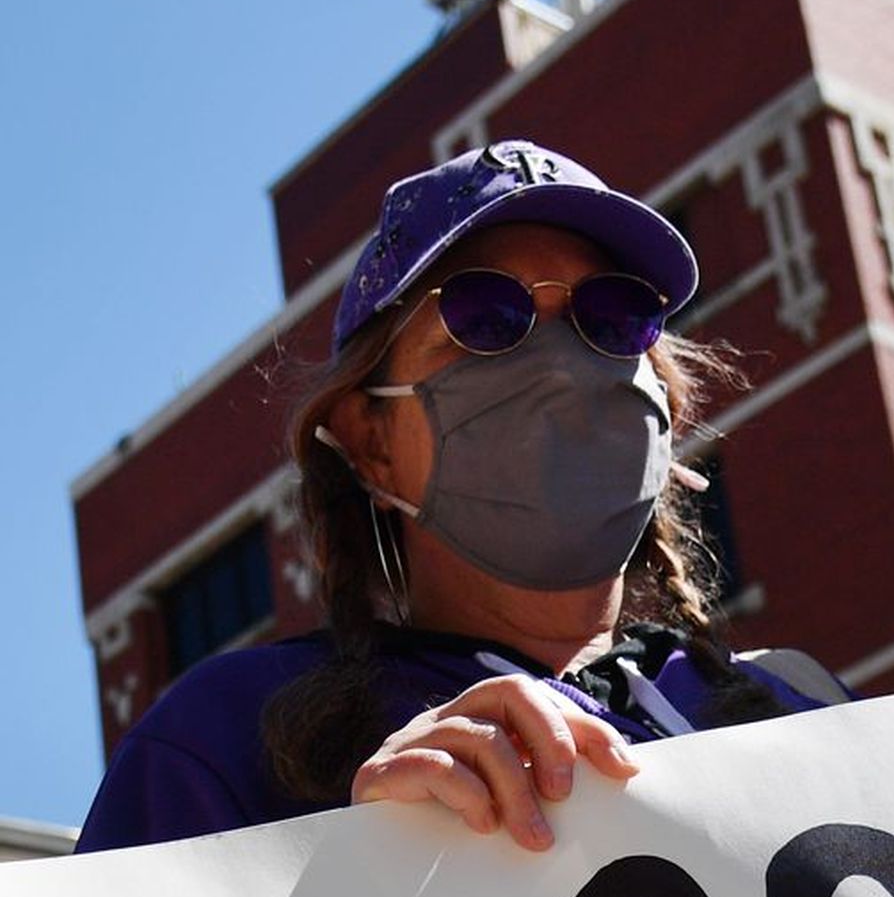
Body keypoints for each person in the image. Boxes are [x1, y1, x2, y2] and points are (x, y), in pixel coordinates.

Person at [81, 139, 837, 856]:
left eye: (611, 316)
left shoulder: (799, 704)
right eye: (486, 318)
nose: (565, 363)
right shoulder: (225, 738)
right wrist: (355, 872)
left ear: (666, 408)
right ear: (369, 440)